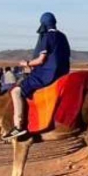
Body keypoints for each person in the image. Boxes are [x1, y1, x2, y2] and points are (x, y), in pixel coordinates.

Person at [6, 12, 71, 140]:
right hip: (62, 74)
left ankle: (18, 127)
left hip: (46, 75)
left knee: (16, 91)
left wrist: (26, 63)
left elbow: (41, 60)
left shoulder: (47, 36)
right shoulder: (63, 36)